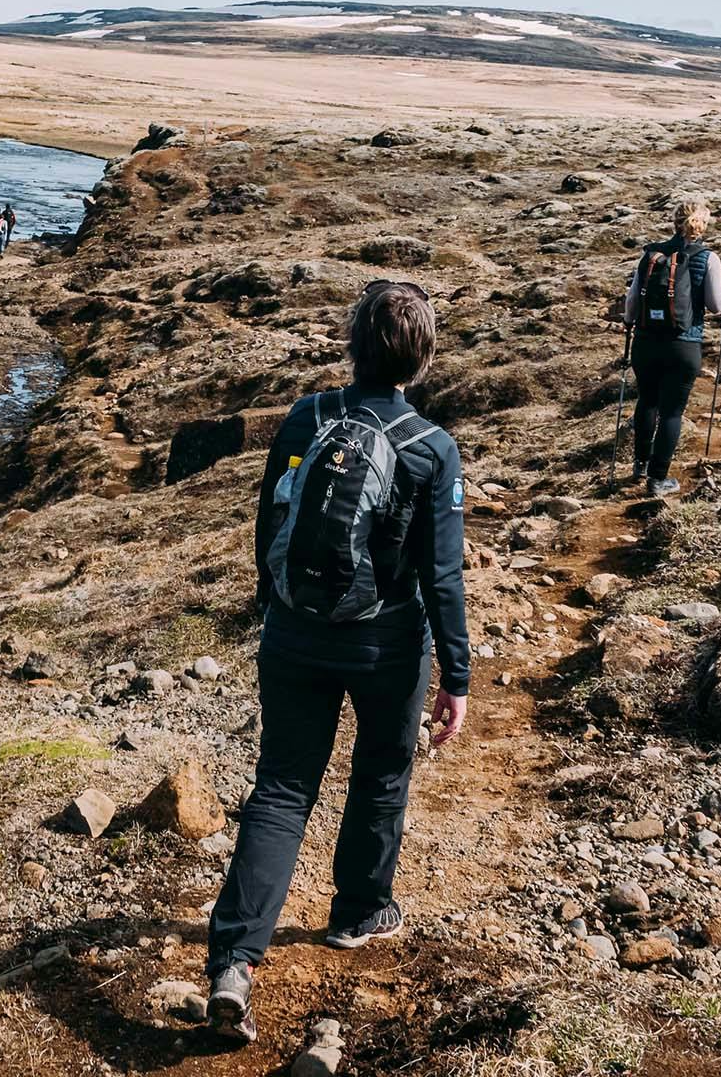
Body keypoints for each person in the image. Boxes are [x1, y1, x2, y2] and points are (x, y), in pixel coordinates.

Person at [205, 280, 470, 1041]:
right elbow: (441, 575)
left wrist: (273, 602)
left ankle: (233, 961)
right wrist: (457, 675)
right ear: (422, 356)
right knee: (382, 770)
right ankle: (357, 910)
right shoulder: (432, 449)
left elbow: (270, 517)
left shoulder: (307, 415)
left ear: (353, 343)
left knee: (283, 788)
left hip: (294, 630)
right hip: (385, 642)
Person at [617, 196, 721, 497]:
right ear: (703, 225)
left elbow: (631, 302)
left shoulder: (650, 255)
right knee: (671, 412)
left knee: (647, 401)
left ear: (674, 222)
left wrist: (631, 323)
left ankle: (640, 466)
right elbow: (715, 305)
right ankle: (658, 480)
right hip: (683, 345)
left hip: (645, 343)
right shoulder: (707, 258)